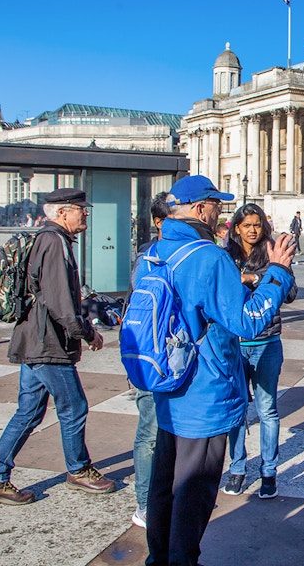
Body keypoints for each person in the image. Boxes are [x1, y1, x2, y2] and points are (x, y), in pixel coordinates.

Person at [146, 175, 295, 566]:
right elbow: (247, 322)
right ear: (200, 209)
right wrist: (278, 272)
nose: (220, 213)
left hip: (167, 385)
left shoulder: (154, 252)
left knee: (164, 485)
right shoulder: (209, 257)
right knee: (193, 493)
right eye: (216, 205)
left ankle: (157, 558)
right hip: (205, 390)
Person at [0, 188, 116, 506]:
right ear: (62, 212)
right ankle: (78, 470)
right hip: (47, 343)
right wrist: (87, 333)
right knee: (74, 406)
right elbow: (60, 303)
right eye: (81, 208)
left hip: (35, 339)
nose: (86, 213)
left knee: (29, 411)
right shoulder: (54, 242)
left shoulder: (51, 240)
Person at [221, 204, 298, 499]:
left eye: (257, 224)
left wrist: (254, 279)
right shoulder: (226, 255)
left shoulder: (272, 252)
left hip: (267, 341)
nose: (253, 230)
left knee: (267, 409)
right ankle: (237, 468)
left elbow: (290, 293)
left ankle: (269, 471)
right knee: (237, 409)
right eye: (247, 225)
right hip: (236, 343)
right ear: (236, 228)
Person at [130, 190, 173, 529]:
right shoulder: (149, 258)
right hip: (153, 355)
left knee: (165, 432)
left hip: (173, 357)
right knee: (150, 430)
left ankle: (162, 496)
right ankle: (145, 504)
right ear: (159, 222)